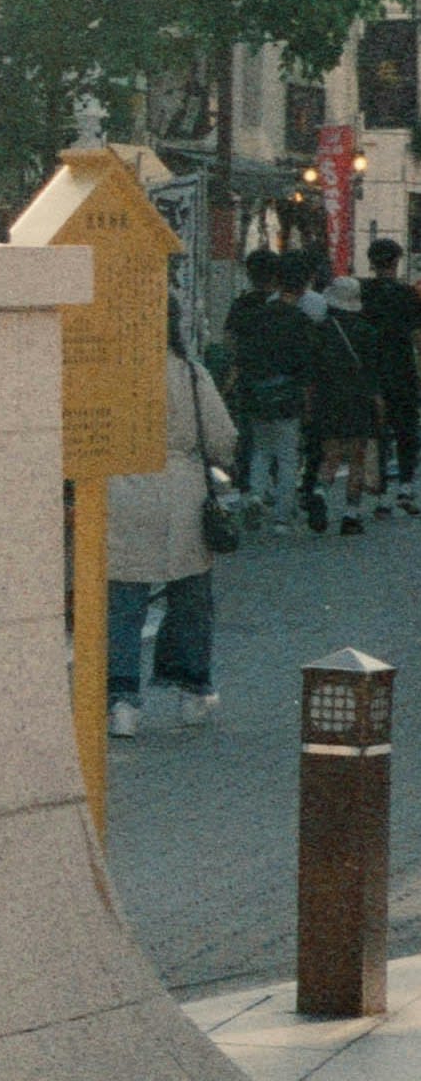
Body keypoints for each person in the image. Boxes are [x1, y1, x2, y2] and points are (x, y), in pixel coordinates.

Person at [109, 319, 234, 736]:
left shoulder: (109, 368)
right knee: (191, 596)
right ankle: (192, 690)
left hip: (122, 490)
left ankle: (122, 703)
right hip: (182, 493)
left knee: (124, 603)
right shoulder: (191, 372)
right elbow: (222, 437)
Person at [228, 253, 312, 535]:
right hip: (287, 393)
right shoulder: (300, 319)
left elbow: (241, 353)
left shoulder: (255, 315)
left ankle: (254, 496)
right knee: (287, 457)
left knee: (260, 451)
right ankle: (281, 518)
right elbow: (305, 362)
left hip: (257, 392)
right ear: (301, 288)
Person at [309, 267, 380, 533]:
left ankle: (319, 491)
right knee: (357, 459)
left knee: (331, 454)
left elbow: (312, 370)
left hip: (328, 397)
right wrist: (379, 406)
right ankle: (351, 515)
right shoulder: (367, 332)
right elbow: (373, 374)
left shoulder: (321, 329)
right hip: (359, 398)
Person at [361, 237, 421, 510]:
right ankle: (406, 488)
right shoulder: (408, 295)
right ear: (396, 262)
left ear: (372, 263)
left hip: (370, 371)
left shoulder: (362, 293)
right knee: (406, 429)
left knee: (377, 431)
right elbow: (417, 336)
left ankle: (380, 492)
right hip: (402, 368)